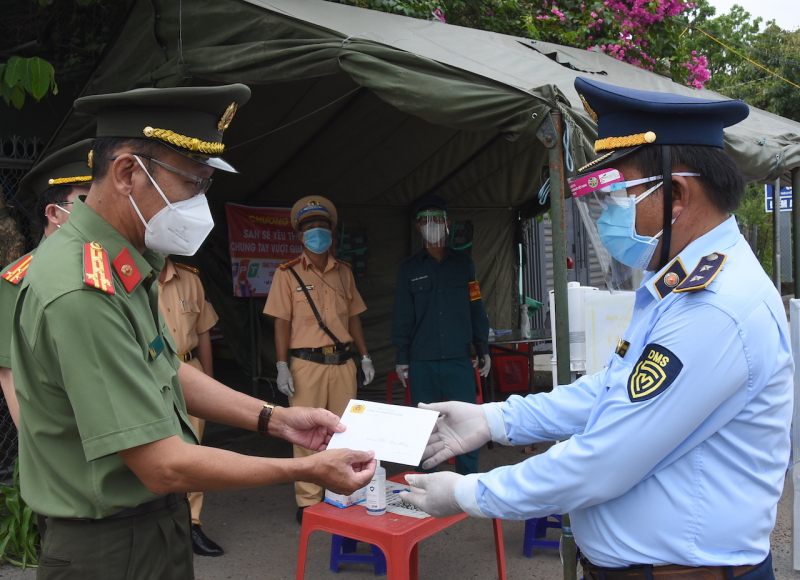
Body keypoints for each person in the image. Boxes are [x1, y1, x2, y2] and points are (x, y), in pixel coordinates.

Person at [400, 78, 792, 580]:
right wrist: (496, 420)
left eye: (616, 195)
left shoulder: (714, 306)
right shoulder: (675, 284)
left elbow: (605, 458)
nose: (609, 215)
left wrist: (466, 493)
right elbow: (611, 389)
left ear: (675, 194)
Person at [11, 85, 375, 580]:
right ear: (126, 174)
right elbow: (163, 465)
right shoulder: (83, 289)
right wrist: (303, 469)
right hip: (109, 549)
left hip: (152, 529)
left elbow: (168, 370)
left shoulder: (127, 263)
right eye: (192, 184)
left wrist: (275, 419)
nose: (200, 205)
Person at [263, 195, 375, 523]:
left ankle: (343, 492)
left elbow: (354, 318)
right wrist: (281, 365)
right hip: (306, 364)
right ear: (300, 236)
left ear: (332, 234)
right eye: (310, 228)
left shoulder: (344, 273)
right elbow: (281, 322)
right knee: (306, 435)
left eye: (323, 227)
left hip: (343, 363)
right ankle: (309, 503)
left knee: (346, 432)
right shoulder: (287, 274)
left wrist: (365, 355)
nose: (317, 233)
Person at [390, 194, 490, 475]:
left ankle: (467, 481)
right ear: (418, 227)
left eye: (437, 220)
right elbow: (402, 315)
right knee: (424, 426)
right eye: (425, 221)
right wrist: (402, 356)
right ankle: (428, 483)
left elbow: (475, 306)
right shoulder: (409, 269)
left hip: (459, 360)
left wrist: (483, 348)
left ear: (447, 223)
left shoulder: (464, 264)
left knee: (467, 422)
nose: (431, 225)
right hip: (423, 361)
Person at [0, 138, 94, 428]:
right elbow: (9, 371)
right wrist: (35, 449)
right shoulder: (18, 279)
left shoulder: (106, 267)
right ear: (54, 213)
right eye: (84, 202)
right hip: (62, 426)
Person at [157, 256, 223, 557]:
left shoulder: (190, 279)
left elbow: (204, 333)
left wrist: (209, 385)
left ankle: (192, 523)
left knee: (193, 450)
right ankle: (157, 525)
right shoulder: (126, 276)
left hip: (190, 370)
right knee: (155, 450)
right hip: (149, 374)